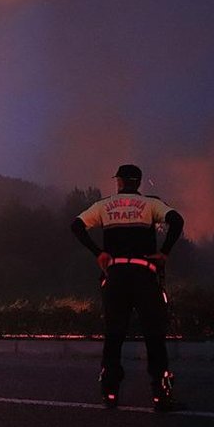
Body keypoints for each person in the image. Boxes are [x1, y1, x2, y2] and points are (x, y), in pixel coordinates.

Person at [70, 164, 184, 411]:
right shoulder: (151, 204)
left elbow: (76, 225)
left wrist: (98, 253)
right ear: (139, 183)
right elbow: (177, 221)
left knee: (114, 334)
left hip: (116, 276)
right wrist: (164, 253)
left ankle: (110, 393)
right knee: (154, 334)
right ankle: (160, 395)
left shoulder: (103, 205)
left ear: (119, 182)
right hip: (145, 275)